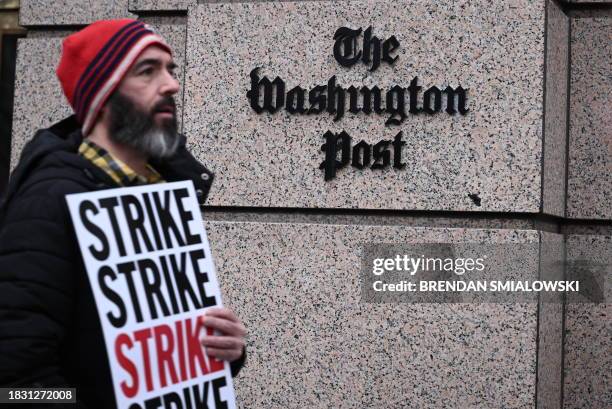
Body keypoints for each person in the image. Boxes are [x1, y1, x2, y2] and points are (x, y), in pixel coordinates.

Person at [0, 19, 246, 408]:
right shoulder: (48, 202)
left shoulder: (162, 194)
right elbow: (15, 383)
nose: (171, 85)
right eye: (147, 71)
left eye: (170, 70)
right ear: (102, 93)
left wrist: (223, 352)